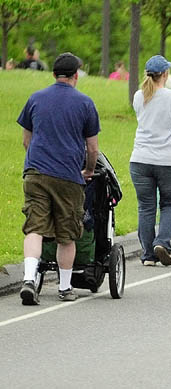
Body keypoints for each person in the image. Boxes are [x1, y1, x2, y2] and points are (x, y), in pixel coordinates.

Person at [17, 52, 99, 305]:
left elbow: (26, 140)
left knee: (34, 227)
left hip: (36, 173)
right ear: (76, 75)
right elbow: (92, 148)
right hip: (68, 176)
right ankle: (64, 287)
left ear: (53, 75)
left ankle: (29, 279)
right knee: (67, 233)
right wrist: (88, 170)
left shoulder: (35, 98)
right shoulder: (85, 103)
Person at [130, 55, 171, 267]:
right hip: (167, 159)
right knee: (170, 204)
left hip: (140, 159)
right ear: (165, 74)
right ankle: (162, 242)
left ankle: (147, 254)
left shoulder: (139, 96)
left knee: (146, 206)